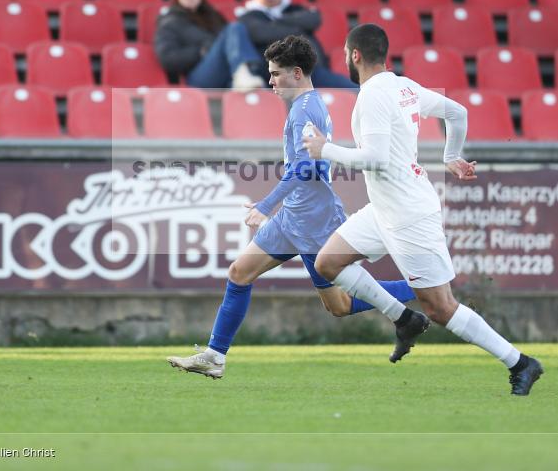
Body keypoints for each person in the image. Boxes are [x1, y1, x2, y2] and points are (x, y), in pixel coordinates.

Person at [302, 24, 544, 396]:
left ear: (354, 55)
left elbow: (376, 160)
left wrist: (325, 149)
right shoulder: (404, 86)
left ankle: (519, 362)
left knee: (441, 308)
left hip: (409, 215)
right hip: (384, 209)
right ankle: (402, 317)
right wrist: (451, 156)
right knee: (328, 263)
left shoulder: (371, 97)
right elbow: (457, 112)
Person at [166, 35, 416, 379]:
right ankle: (215, 355)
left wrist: (267, 204)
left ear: (297, 73)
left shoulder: (306, 109)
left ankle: (422, 287)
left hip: (315, 221)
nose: (270, 82)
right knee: (240, 272)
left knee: (339, 306)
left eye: (276, 74)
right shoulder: (304, 106)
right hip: (293, 217)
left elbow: (306, 167)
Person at [239, 0, 359, 90]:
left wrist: (276, 20)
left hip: (309, 73)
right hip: (273, 79)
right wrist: (297, 30)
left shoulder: (294, 9)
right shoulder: (248, 16)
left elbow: (313, 19)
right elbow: (259, 33)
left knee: (353, 90)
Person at [154, 0, 265, 89]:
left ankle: (244, 76)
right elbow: (168, 58)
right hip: (197, 77)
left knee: (237, 29)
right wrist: (199, 52)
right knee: (235, 28)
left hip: (224, 72)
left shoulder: (213, 16)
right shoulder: (169, 21)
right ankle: (242, 74)